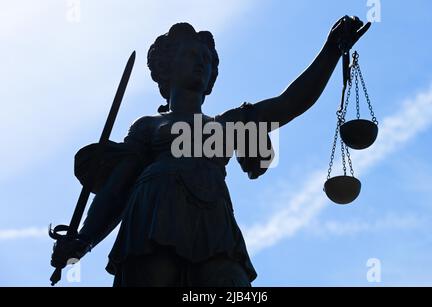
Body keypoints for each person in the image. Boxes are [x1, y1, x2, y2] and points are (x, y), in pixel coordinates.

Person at [51, 16, 371, 286]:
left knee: (230, 283)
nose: (201, 63)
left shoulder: (228, 125)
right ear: (167, 68)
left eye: (206, 60)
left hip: (213, 226)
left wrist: (332, 50)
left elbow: (289, 103)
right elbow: (116, 191)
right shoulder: (148, 127)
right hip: (152, 218)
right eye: (191, 55)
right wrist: (84, 240)